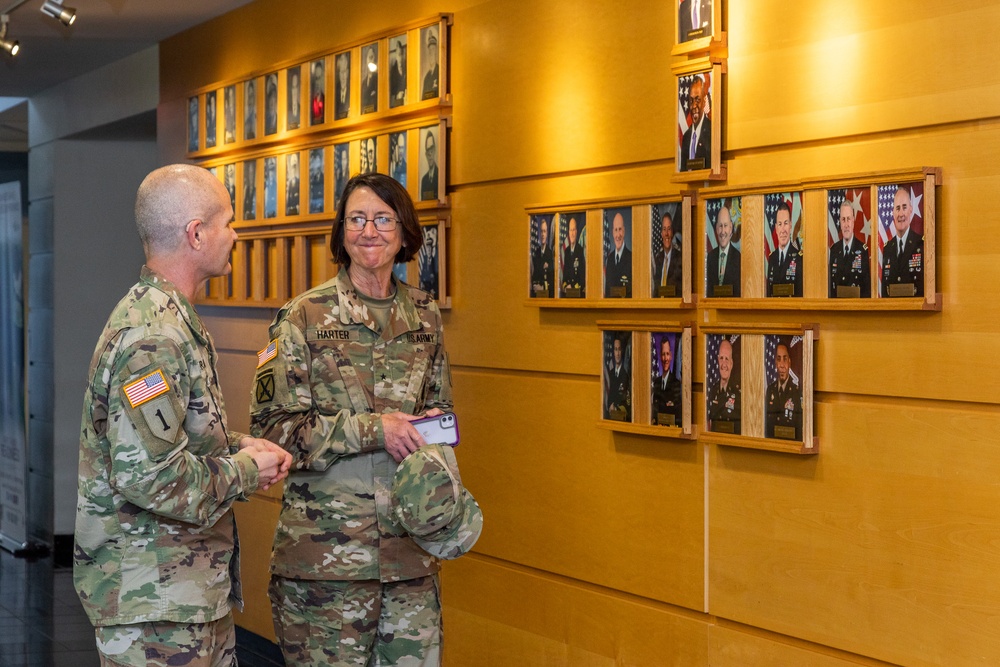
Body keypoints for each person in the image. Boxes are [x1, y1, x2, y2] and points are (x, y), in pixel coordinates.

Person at [74, 164, 292, 666]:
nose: (235, 235)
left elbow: (170, 437)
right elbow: (149, 475)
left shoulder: (172, 320)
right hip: (153, 605)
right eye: (228, 223)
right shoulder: (152, 336)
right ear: (196, 234)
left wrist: (240, 447)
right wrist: (244, 471)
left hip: (184, 596)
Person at [249, 172, 453, 666]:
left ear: (404, 231)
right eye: (357, 218)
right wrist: (374, 429)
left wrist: (433, 429)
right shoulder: (302, 316)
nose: (369, 231)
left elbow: (443, 414)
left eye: (383, 219)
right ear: (342, 232)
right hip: (326, 565)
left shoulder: (425, 315)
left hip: (410, 558)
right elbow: (272, 429)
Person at [881, 186, 924, 297]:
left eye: (904, 208)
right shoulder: (888, 249)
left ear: (910, 210)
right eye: (897, 208)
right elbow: (885, 292)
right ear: (893, 213)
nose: (901, 214)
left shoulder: (921, 244)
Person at [829, 200, 871, 297]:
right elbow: (831, 288)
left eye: (848, 219)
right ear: (840, 222)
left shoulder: (862, 250)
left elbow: (866, 289)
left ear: (853, 221)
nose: (846, 224)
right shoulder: (834, 250)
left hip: (856, 309)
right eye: (843, 219)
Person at [765, 340, 802, 440]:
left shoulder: (797, 391)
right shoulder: (770, 390)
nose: (782, 365)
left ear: (789, 362)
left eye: (785, 359)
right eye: (779, 359)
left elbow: (799, 426)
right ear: (775, 363)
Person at [766, 201, 802, 297]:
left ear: (790, 225)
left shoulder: (799, 258)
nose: (783, 230)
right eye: (780, 224)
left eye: (785, 223)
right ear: (776, 228)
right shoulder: (772, 258)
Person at [705, 205, 740, 296]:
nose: (723, 231)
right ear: (716, 229)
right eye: (720, 226)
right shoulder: (710, 257)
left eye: (725, 225)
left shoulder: (739, 258)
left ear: (731, 228)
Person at [707, 338, 740, 433]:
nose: (724, 364)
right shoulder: (713, 390)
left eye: (727, 359)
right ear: (717, 360)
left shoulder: (738, 393)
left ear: (731, 363)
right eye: (721, 358)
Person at [679, 76, 711, 171]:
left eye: (698, 100)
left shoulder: (711, 132)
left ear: (704, 102)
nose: (694, 106)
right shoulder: (686, 137)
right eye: (691, 101)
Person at [652, 335, 682, 426]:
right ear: (660, 356)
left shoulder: (676, 384)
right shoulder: (656, 383)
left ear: (671, 356)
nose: (665, 359)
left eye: (667, 354)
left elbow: (677, 413)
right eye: (663, 354)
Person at [652, 211, 682, 296]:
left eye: (669, 229)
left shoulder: (680, 258)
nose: (666, 234)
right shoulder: (657, 259)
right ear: (661, 233)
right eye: (664, 229)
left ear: (672, 232)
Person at [603, 212, 632, 297]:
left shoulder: (631, 258)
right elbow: (607, 292)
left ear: (624, 231)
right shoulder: (610, 259)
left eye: (620, 229)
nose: (618, 235)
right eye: (616, 230)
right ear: (612, 232)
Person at [605, 335, 630, 421]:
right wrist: (609, 406)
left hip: (621, 418)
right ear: (613, 352)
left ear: (622, 351)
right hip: (610, 417)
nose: (618, 353)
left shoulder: (625, 375)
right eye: (616, 349)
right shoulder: (610, 374)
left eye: (619, 349)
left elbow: (624, 399)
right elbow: (608, 395)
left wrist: (615, 406)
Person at [560, 216, 585, 297]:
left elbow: (582, 278)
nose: (572, 233)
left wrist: (573, 287)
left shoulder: (580, 250)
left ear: (576, 231)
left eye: (573, 230)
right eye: (570, 230)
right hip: (567, 293)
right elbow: (564, 276)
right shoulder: (566, 251)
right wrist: (566, 286)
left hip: (577, 293)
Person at [530, 218, 554, 298]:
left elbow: (552, 279)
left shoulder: (550, 254)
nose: (543, 234)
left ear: (547, 233)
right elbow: (534, 275)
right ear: (539, 233)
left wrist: (543, 287)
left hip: (547, 294)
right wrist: (536, 286)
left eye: (544, 231)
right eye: (541, 231)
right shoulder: (536, 253)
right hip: (537, 293)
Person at [419, 227, 438, 298]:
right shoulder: (424, 258)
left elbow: (436, 274)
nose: (428, 250)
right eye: (427, 249)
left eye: (430, 248)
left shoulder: (434, 260)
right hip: (425, 285)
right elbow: (423, 272)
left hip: (432, 286)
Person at [422, 28, 439, 100]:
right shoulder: (426, 78)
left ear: (436, 52)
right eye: (429, 51)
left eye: (433, 50)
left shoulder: (439, 73)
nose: (431, 53)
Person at [389, 36, 407, 108]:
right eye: (399, 54)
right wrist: (397, 94)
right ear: (396, 56)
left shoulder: (406, 68)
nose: (400, 57)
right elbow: (391, 90)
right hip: (396, 103)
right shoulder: (393, 71)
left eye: (401, 54)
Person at [421, 130, 438, 200]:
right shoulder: (424, 180)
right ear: (425, 155)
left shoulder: (440, 176)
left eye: (432, 150)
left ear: (435, 151)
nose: (430, 154)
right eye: (428, 151)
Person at [361, 45, 378, 113]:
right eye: (369, 57)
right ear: (366, 60)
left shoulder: (378, 79)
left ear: (375, 59)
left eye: (372, 57)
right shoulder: (363, 83)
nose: (370, 60)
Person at [335, 52, 350, 120]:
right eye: (341, 73)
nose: (343, 77)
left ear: (348, 73)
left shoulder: (352, 90)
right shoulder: (335, 91)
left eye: (345, 73)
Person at [310, 60, 325, 126]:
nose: (318, 72)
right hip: (315, 105)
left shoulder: (323, 82)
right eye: (317, 70)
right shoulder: (313, 84)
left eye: (319, 70)